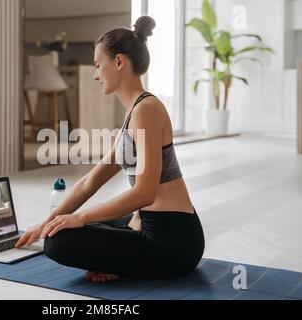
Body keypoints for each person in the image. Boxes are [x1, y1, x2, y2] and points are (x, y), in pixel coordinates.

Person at [16, 16, 205, 283]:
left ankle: (125, 261)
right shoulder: (134, 113)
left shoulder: (147, 109)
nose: (95, 75)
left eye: (98, 65)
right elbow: (91, 181)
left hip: (174, 242)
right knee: (60, 229)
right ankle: (123, 259)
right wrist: (46, 222)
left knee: (58, 243)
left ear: (119, 62)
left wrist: (79, 218)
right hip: (152, 224)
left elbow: (145, 193)